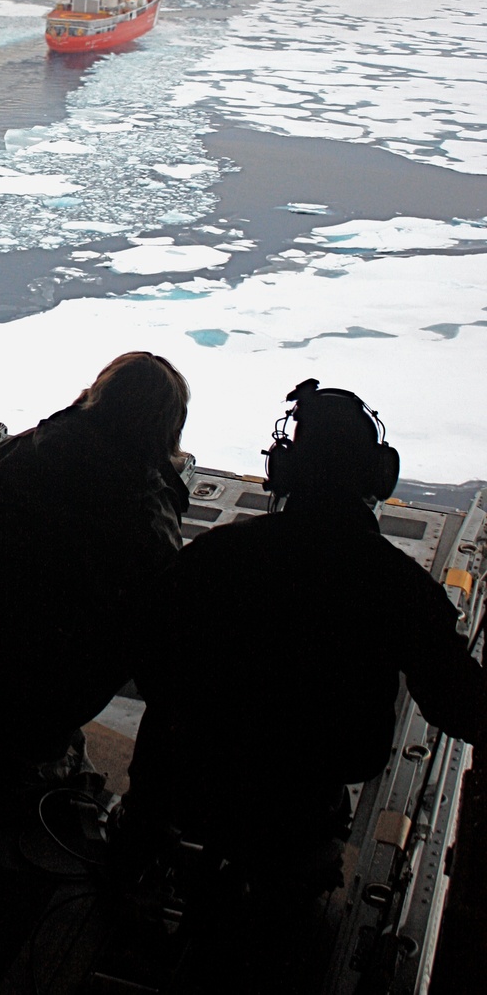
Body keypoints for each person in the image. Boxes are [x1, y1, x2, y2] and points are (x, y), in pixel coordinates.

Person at [116, 378, 484, 893]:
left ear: (283, 471)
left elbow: (145, 654)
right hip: (299, 818)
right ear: (378, 477)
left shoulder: (216, 555)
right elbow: (461, 704)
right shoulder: (395, 583)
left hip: (189, 788)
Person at [0, 351, 191, 814]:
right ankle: (38, 757)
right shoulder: (147, 514)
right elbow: (163, 632)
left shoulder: (10, 454)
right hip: (30, 699)